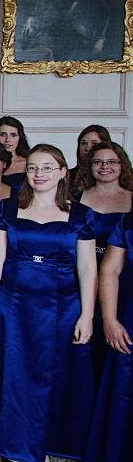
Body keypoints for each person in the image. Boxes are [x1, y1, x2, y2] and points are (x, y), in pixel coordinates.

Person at [0, 145, 97, 462]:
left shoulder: (80, 215)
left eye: (47, 167)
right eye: (33, 168)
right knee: (13, 372)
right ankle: (13, 444)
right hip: (13, 303)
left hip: (60, 307)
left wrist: (87, 315)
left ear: (61, 172)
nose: (39, 174)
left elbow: (87, 267)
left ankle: (39, 447)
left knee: (48, 376)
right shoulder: (9, 208)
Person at [81, 212, 133, 462]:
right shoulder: (128, 223)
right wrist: (110, 320)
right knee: (123, 398)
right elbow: (110, 271)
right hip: (128, 322)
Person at [75, 141, 133, 376]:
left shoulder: (132, 199)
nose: (104, 166)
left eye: (111, 162)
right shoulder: (75, 198)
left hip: (121, 280)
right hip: (80, 276)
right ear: (89, 166)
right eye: (98, 162)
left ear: (123, 165)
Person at [0, 116, 29, 187]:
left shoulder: (29, 163)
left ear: (20, 138)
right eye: (2, 135)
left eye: (13, 135)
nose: (8, 139)